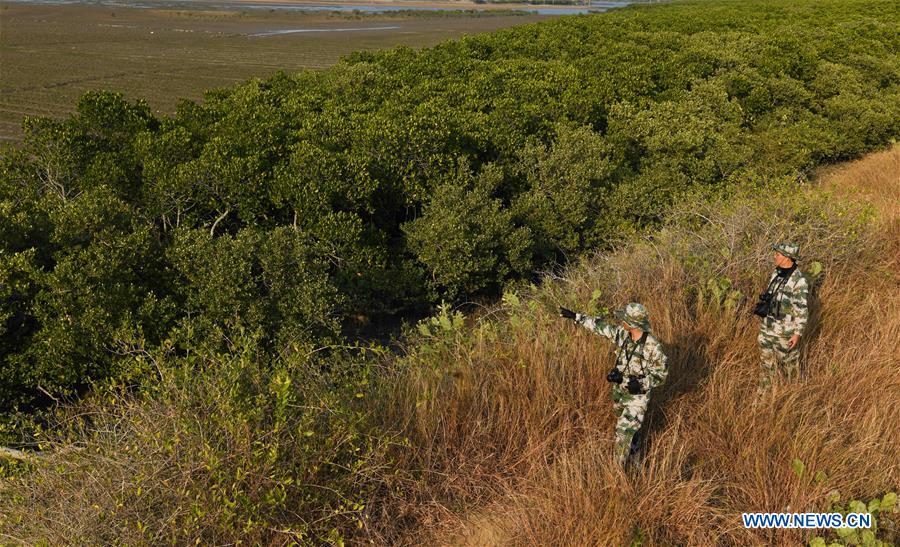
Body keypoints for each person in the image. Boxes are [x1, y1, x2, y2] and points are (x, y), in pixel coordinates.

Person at [559, 302, 668, 465]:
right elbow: (601, 327)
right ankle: (636, 458)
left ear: (632, 324)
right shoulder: (623, 335)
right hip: (619, 392)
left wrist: (642, 384)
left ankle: (617, 473)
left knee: (622, 432)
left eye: (624, 319)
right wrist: (576, 317)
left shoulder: (652, 346)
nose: (621, 321)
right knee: (630, 429)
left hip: (637, 397)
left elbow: (662, 374)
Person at [753, 243, 810, 390]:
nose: (774, 256)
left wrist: (797, 334)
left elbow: (801, 309)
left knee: (791, 370)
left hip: (785, 333)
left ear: (787, 258)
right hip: (768, 328)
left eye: (778, 254)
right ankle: (763, 398)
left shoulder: (799, 280)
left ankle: (794, 398)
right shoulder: (776, 274)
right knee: (766, 366)